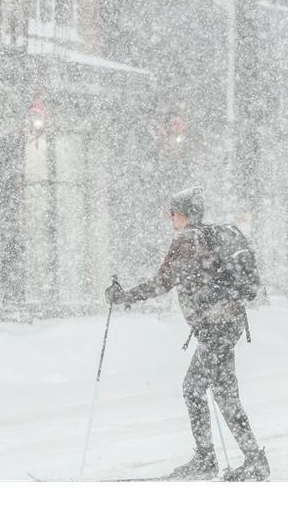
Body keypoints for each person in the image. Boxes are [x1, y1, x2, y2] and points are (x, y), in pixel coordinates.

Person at [106, 186, 269, 481]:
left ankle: (209, 459)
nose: (171, 218)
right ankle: (252, 459)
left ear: (181, 214)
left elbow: (162, 282)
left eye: (173, 213)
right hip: (227, 323)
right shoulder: (213, 236)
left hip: (216, 327)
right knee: (223, 393)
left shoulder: (188, 241)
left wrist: (124, 297)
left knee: (194, 389)